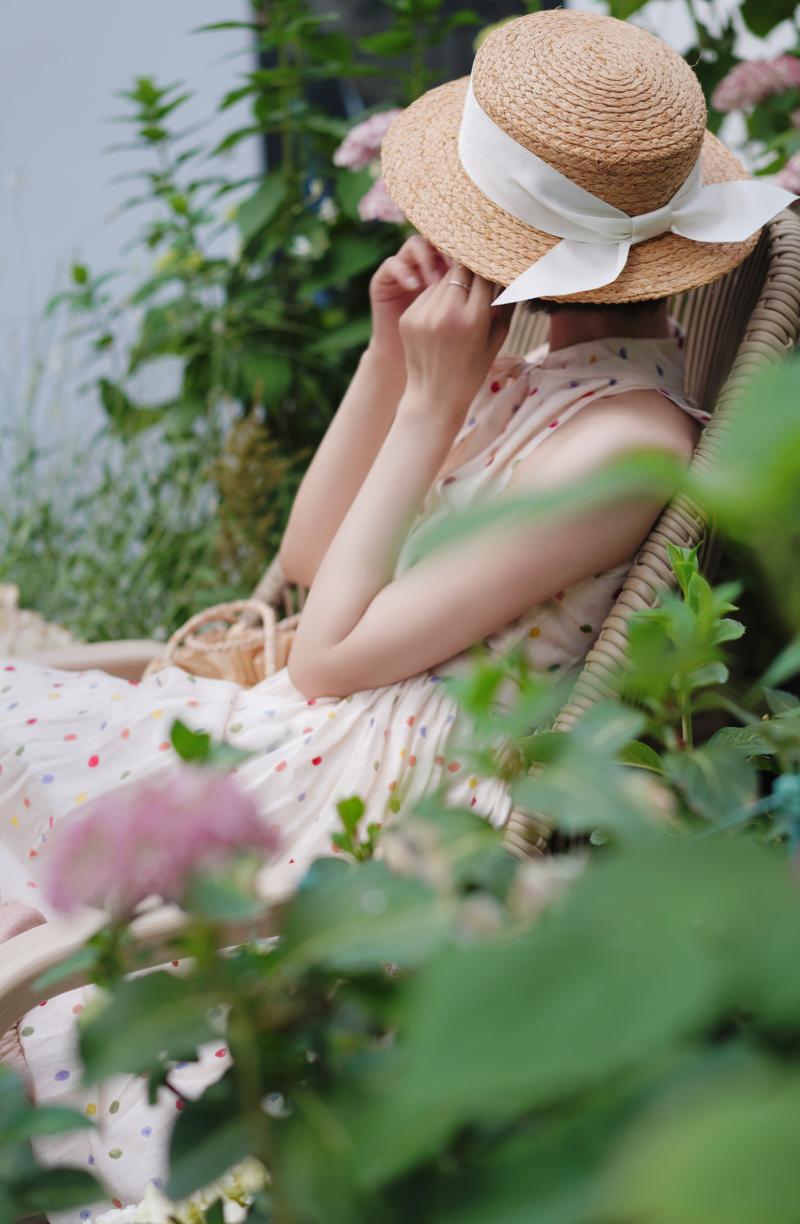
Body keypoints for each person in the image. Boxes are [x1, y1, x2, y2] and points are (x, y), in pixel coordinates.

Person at [0, 8, 793, 1218]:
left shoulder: (623, 442)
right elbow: (314, 561)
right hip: (334, 712)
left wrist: (432, 405)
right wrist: (390, 365)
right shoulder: (537, 363)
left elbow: (324, 660)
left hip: (378, 781)